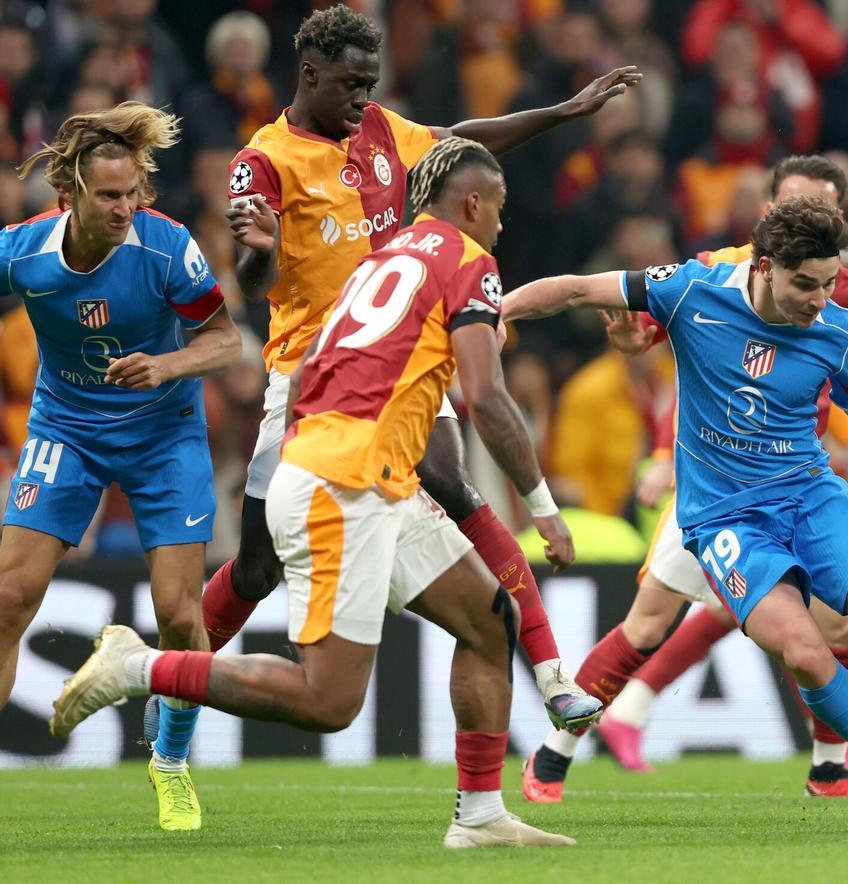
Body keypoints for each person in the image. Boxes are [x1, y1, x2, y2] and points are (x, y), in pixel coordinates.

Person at [52, 137, 576, 849]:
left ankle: (479, 816)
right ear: (474, 204)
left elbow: (303, 375)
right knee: (328, 702)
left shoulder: (378, 263)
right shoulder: (468, 261)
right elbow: (485, 397)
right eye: (501, 210)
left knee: (487, 620)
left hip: (358, 476)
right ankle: (136, 666)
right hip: (343, 487)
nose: (503, 226)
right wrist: (543, 507)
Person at [188, 4, 642, 736]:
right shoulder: (262, 161)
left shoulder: (380, 131)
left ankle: (554, 675)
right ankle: (173, 693)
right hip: (310, 377)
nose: (365, 97)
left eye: (372, 82)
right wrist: (264, 248)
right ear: (310, 73)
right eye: (352, 83)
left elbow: (462, 143)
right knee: (254, 571)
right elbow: (250, 279)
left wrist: (565, 111)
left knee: (453, 482)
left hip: (401, 361)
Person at [502, 196, 848, 829]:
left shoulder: (840, 327)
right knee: (800, 652)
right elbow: (578, 290)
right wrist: (494, 310)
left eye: (829, 283)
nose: (818, 298)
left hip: (810, 496)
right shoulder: (693, 289)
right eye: (806, 284)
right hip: (726, 518)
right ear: (766, 265)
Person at [0, 102, 241, 831]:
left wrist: (167, 364)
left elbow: (225, 342)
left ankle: (170, 764)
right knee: (10, 596)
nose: (125, 208)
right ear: (68, 195)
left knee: (177, 615)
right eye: (109, 196)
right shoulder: (21, 252)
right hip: (66, 428)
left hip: (164, 432)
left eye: (133, 193)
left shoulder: (167, 249)